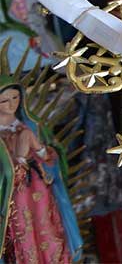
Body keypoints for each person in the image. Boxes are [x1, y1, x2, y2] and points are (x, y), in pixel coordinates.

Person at [0, 79, 82, 264]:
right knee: (22, 234)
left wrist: (45, 154)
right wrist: (12, 166)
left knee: (48, 229)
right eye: (5, 100)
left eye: (15, 97)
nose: (12, 103)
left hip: (39, 186)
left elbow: (54, 155)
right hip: (13, 194)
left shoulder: (32, 125)